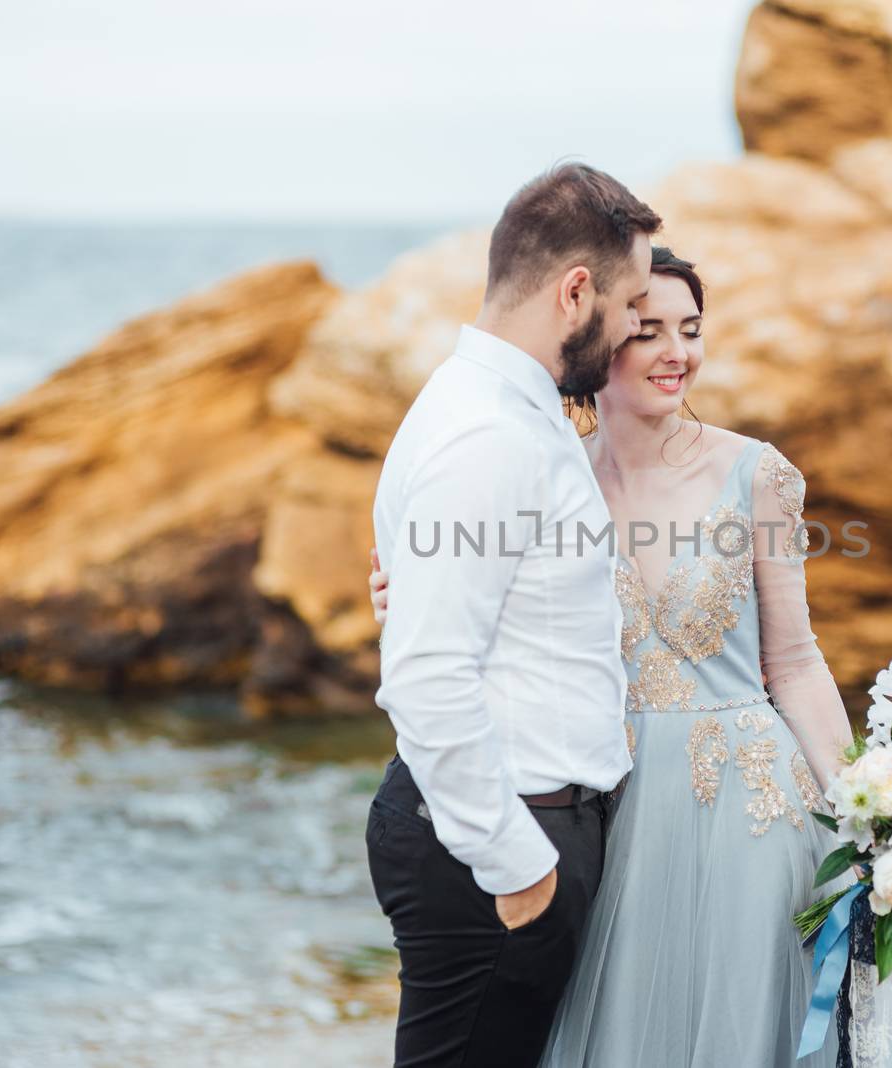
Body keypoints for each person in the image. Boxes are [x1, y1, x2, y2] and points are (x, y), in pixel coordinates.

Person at [370, 247, 856, 1066]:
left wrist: (870, 816)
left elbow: (797, 665)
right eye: (648, 331)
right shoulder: (550, 471)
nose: (677, 353)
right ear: (600, 343)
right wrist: (406, 593)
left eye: (691, 330)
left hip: (752, 815)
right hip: (609, 814)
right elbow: (484, 612)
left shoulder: (756, 474)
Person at [365, 161, 661, 1068]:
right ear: (577, 291)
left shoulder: (506, 410)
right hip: (498, 847)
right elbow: (426, 676)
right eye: (629, 308)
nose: (630, 335)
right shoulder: (486, 436)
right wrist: (522, 871)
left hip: (513, 831)